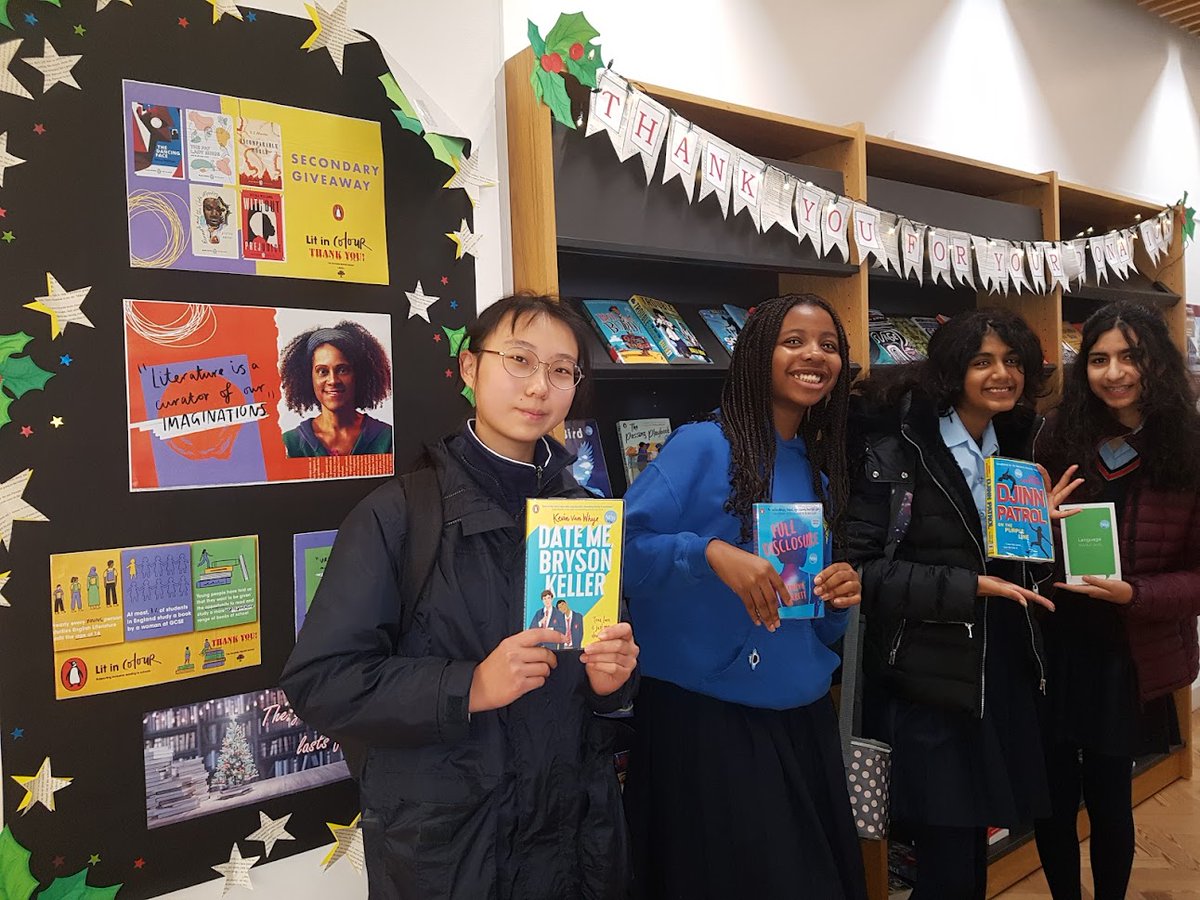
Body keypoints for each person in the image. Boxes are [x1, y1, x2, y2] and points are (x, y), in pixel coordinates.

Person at [281, 294, 639, 900]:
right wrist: (467, 686)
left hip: (575, 846)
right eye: (519, 360)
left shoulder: (582, 515)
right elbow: (321, 682)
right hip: (452, 856)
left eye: (561, 370)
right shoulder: (398, 515)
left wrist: (615, 685)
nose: (539, 387)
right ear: (471, 370)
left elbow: (602, 682)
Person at [622, 293, 867, 900]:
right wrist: (707, 554)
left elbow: (808, 625)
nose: (814, 355)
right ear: (758, 354)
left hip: (802, 719)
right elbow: (618, 547)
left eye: (828, 345)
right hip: (709, 724)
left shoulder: (818, 469)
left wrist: (837, 602)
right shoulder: (701, 446)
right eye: (794, 340)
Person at [845, 307, 1081, 900]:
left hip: (1001, 671)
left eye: (1013, 362)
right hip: (929, 681)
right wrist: (968, 585)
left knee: (972, 846)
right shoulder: (899, 450)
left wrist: (1039, 533)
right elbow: (862, 571)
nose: (1002, 374)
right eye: (983, 362)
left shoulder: (1022, 445)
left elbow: (1018, 572)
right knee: (947, 857)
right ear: (953, 371)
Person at [1033, 301, 1200, 900]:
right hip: (1053, 640)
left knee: (1109, 796)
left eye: (1130, 356)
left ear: (1155, 360)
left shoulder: (1189, 445)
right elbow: (1018, 543)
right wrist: (1036, 522)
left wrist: (1137, 594)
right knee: (1050, 797)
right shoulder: (1059, 433)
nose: (1114, 372)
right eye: (1099, 358)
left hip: (1126, 653)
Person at [279, 320, 394, 458]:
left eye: (343, 370)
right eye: (322, 371)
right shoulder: (290, 444)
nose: (333, 380)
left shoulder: (387, 438)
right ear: (308, 377)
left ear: (359, 375)